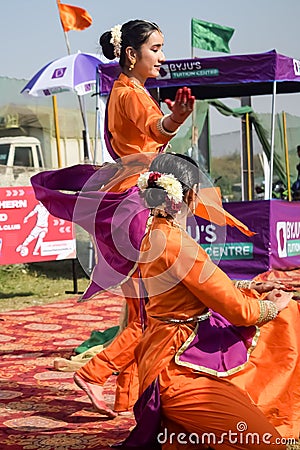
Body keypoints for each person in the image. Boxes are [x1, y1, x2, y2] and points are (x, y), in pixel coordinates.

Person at [31, 19, 255, 419]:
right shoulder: (131, 93)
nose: (162, 56)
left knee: (139, 310)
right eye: (156, 48)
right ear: (131, 54)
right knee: (144, 313)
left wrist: (168, 127)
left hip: (131, 201)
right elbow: (155, 127)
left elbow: (146, 137)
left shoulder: (125, 89)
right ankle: (95, 372)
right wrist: (175, 121)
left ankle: (123, 395)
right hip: (137, 206)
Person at [118, 152, 300, 449]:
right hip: (177, 371)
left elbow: (199, 285)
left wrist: (252, 286)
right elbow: (239, 311)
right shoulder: (178, 245)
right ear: (188, 196)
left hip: (164, 354)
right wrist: (273, 306)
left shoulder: (155, 234)